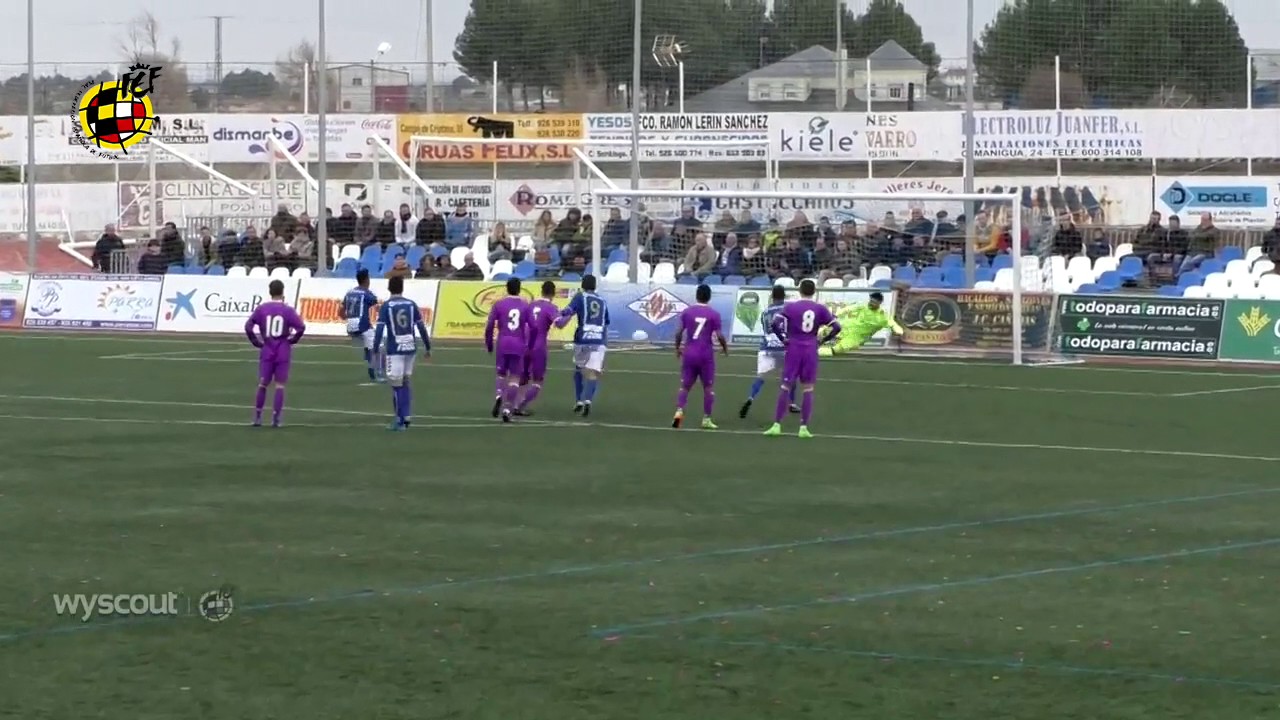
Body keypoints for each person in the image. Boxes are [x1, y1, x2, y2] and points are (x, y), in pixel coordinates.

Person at [763, 279, 840, 439]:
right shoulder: (820, 308)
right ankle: (803, 428)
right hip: (810, 349)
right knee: (808, 388)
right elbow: (837, 327)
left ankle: (776, 425)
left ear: (800, 290)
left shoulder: (791, 307)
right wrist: (822, 341)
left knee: (785, 386)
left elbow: (775, 324)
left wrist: (783, 339)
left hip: (794, 348)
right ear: (814, 292)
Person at [372, 275, 432, 431]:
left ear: (389, 288)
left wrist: (375, 348)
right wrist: (428, 347)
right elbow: (421, 327)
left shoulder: (387, 306)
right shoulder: (411, 304)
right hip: (410, 348)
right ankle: (407, 416)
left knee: (396, 385)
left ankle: (399, 420)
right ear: (402, 288)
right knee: (405, 382)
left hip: (395, 350)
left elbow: (379, 329)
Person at [244, 279, 306, 427]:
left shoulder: (262, 309)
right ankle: (276, 418)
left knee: (263, 383)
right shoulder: (288, 310)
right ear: (282, 292)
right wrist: (293, 340)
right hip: (282, 349)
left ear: (270, 292)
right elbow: (301, 327)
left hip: (267, 348)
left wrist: (256, 342)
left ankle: (257, 416)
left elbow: (248, 327)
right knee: (279, 385)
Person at [672, 284, 729, 429]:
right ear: (709, 297)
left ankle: (679, 413)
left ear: (696, 296)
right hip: (705, 355)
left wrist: (677, 348)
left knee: (685, 386)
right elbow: (719, 335)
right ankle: (706, 419)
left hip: (689, 353)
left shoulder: (687, 312)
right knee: (708, 387)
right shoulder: (714, 314)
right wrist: (725, 348)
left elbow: (678, 333)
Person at [554, 274, 609, 417]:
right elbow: (606, 322)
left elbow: (569, 311)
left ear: (583, 285)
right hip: (599, 339)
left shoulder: (580, 297)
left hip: (583, 338)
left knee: (579, 369)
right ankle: (588, 400)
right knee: (593, 372)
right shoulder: (602, 300)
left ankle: (578, 400)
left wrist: (558, 314)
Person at [740, 285, 797, 419]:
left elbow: (766, 328)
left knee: (760, 377)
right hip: (784, 347)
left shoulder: (765, 312)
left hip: (767, 347)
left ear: (772, 296)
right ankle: (791, 403)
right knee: (791, 376)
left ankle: (750, 398)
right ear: (784, 296)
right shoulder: (789, 309)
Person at [484, 277, 531, 422]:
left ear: (507, 288)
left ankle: (499, 395)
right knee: (515, 377)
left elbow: (489, 326)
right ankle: (507, 408)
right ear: (519, 289)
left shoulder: (499, 304)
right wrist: (529, 344)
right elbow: (531, 327)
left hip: (503, 342)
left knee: (501, 374)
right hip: (518, 343)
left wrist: (489, 344)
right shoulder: (525, 305)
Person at [516, 280, 559, 416]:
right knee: (538, 380)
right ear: (553, 293)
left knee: (523, 378)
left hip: (524, 344)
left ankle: (513, 404)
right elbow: (560, 324)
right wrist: (569, 314)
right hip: (538, 346)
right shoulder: (551, 307)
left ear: (541, 291)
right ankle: (520, 406)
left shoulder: (531, 305)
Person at [817, 291, 903, 357]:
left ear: (879, 303)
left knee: (840, 348)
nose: (871, 303)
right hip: (848, 326)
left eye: (873, 302)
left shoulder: (883, 316)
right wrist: (836, 314)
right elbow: (848, 309)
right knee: (826, 330)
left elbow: (893, 324)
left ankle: (816, 352)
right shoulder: (864, 306)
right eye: (871, 300)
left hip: (858, 336)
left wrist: (898, 330)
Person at [341, 269, 382, 382]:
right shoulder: (367, 293)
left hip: (350, 325)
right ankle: (376, 372)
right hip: (361, 324)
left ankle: (368, 353)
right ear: (366, 280)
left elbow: (341, 312)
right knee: (378, 346)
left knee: (369, 342)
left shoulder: (349, 293)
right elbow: (377, 306)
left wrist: (347, 318)